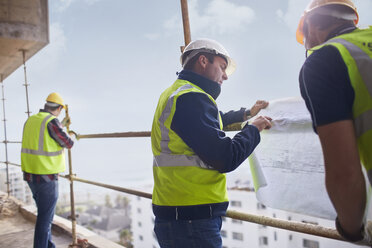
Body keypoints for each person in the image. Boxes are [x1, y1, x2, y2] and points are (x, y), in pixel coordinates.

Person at [151, 38, 272, 248]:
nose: (225, 76)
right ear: (204, 61)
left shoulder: (177, 93)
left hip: (179, 211)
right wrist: (254, 129)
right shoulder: (190, 98)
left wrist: (247, 114)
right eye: (222, 67)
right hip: (191, 218)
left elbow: (210, 121)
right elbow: (225, 157)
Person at [297, 0, 372, 245]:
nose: (309, 47)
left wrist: (352, 229)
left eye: (306, 40)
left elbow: (344, 174)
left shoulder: (325, 60)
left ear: (311, 24)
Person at [21, 92, 74, 248]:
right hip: (46, 177)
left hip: (31, 176)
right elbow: (68, 143)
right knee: (45, 220)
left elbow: (45, 134)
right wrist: (71, 134)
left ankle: (49, 246)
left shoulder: (31, 120)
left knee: (45, 215)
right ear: (58, 108)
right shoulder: (52, 122)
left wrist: (62, 124)